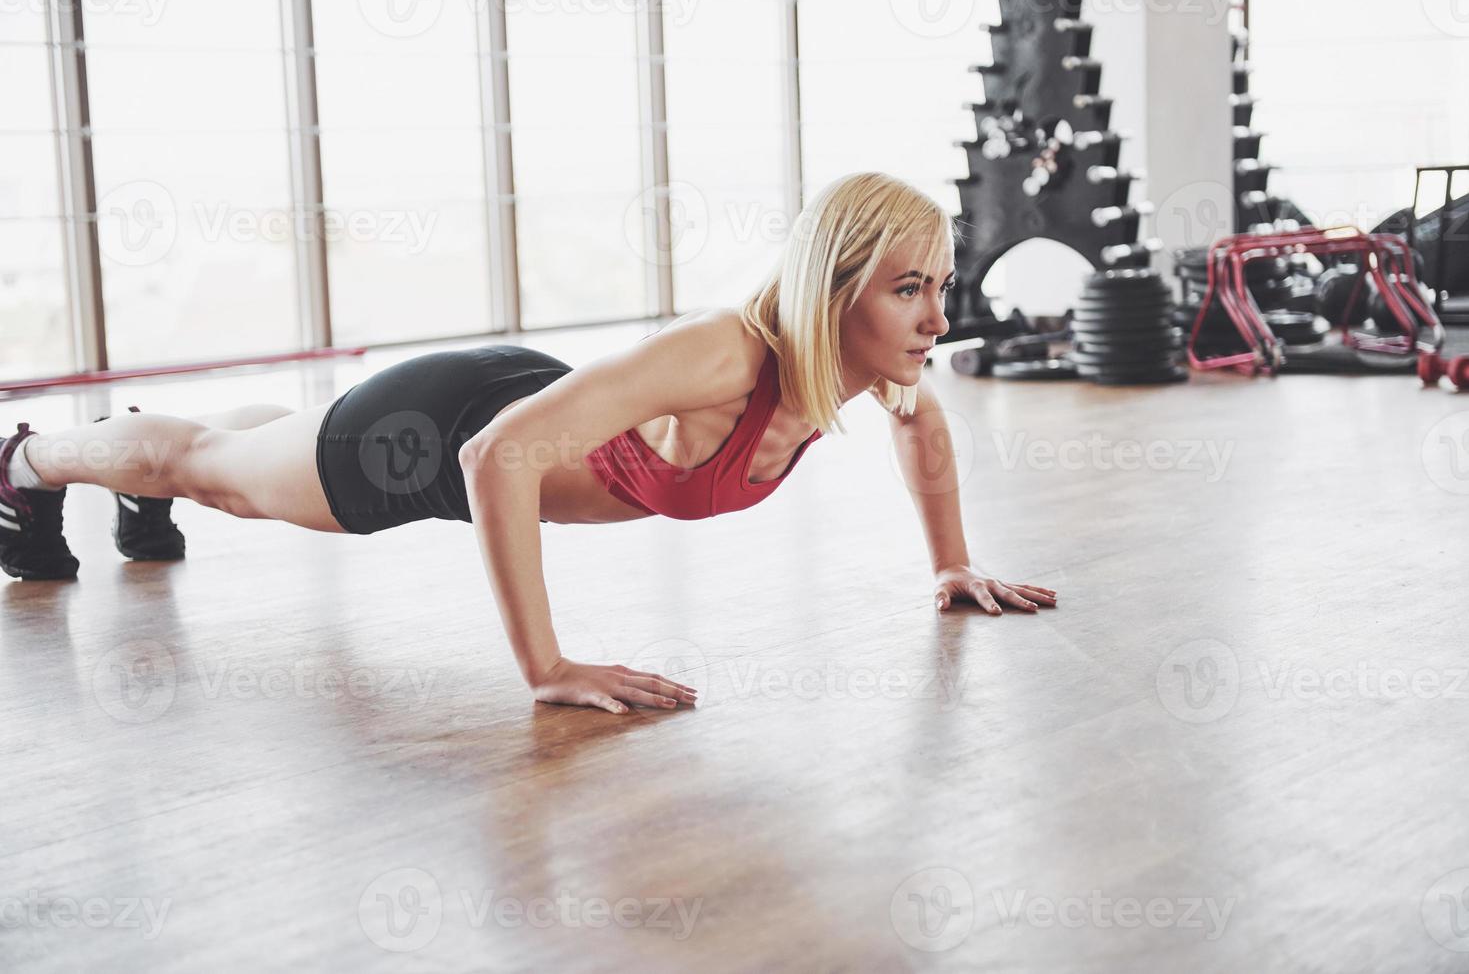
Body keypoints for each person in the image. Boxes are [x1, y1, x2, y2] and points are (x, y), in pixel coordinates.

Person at [0, 171, 1058, 713]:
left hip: (519, 402)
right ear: (831, 289)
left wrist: (950, 561)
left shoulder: (871, 371)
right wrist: (544, 665)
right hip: (438, 430)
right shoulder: (724, 357)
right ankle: (28, 464)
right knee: (217, 473)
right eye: (908, 288)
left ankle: (154, 484)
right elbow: (491, 457)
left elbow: (924, 435)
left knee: (246, 457)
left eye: (941, 286)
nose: (936, 316)